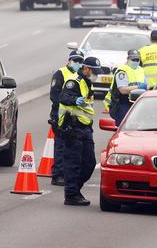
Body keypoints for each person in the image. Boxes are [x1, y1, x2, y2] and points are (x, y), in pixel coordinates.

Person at [57, 56, 103, 206]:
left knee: (89, 163)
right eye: (94, 71)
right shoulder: (74, 82)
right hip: (73, 128)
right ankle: (71, 195)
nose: (96, 74)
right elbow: (63, 97)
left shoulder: (88, 83)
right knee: (73, 164)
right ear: (86, 69)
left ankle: (75, 190)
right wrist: (74, 100)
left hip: (85, 128)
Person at [48, 50, 85, 186]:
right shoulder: (61, 73)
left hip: (76, 115)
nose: (78, 64)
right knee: (61, 145)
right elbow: (55, 95)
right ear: (69, 60)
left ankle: (69, 173)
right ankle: (58, 174)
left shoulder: (81, 76)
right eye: (75, 61)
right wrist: (68, 105)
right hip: (61, 114)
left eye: (80, 61)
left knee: (74, 145)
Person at [104, 50, 147, 126]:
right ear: (127, 59)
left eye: (137, 60)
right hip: (122, 104)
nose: (136, 61)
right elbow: (122, 90)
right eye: (133, 59)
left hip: (137, 104)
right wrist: (138, 87)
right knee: (123, 128)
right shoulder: (122, 71)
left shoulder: (140, 70)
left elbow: (147, 86)